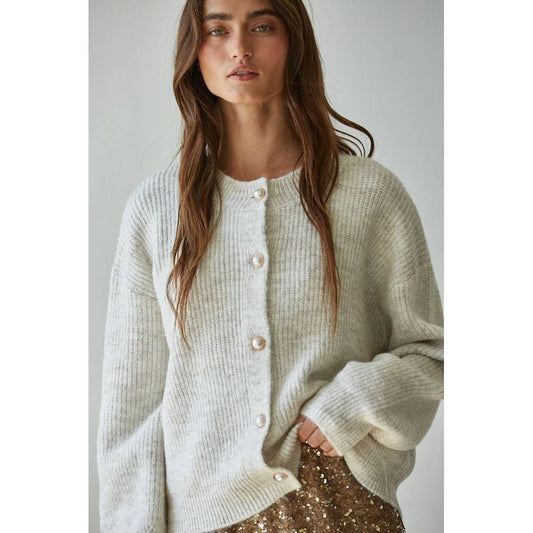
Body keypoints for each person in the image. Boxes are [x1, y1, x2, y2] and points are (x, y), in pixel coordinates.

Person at [96, 0, 444, 531]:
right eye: (218, 30)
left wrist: (354, 399)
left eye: (262, 26)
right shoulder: (158, 210)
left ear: (293, 42)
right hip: (205, 515)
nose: (240, 48)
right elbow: (132, 409)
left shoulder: (369, 196)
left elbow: (433, 354)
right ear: (194, 52)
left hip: (339, 503)